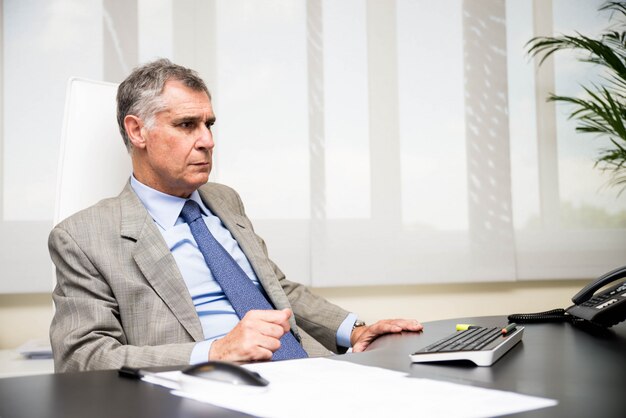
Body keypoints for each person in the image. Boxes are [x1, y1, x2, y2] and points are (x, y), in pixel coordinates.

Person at [49, 59, 423, 372]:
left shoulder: (224, 200)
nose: (207, 140)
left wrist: (354, 330)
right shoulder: (83, 236)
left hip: (311, 373)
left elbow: (276, 290)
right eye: (186, 125)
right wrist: (215, 351)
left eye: (208, 124)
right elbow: (82, 357)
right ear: (137, 131)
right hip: (209, 390)